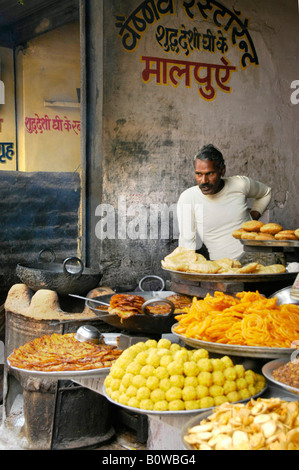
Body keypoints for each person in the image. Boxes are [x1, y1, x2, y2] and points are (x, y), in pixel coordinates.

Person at [177, 144, 272, 260]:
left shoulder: (240, 184)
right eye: (198, 174)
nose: (204, 181)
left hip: (258, 258)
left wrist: (254, 217)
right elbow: (187, 243)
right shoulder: (188, 198)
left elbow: (266, 193)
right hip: (222, 269)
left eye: (210, 173)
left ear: (222, 171)